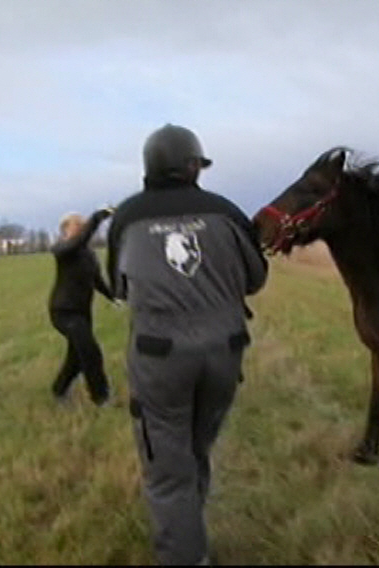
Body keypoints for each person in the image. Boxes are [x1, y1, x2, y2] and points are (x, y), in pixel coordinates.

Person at [105, 123, 268, 565]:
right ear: (193, 166)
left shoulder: (128, 217)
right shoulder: (226, 211)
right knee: (196, 448)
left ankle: (186, 553)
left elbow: (118, 287)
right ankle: (189, 530)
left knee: (167, 467)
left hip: (160, 359)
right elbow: (256, 278)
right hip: (224, 352)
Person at [48, 207, 115, 405]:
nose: (80, 229)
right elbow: (77, 242)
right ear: (65, 230)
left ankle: (59, 390)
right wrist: (96, 218)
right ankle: (101, 397)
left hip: (83, 312)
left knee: (77, 357)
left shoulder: (88, 254)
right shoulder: (61, 249)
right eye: (76, 226)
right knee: (90, 352)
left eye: (82, 225)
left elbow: (97, 281)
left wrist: (115, 296)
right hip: (63, 312)